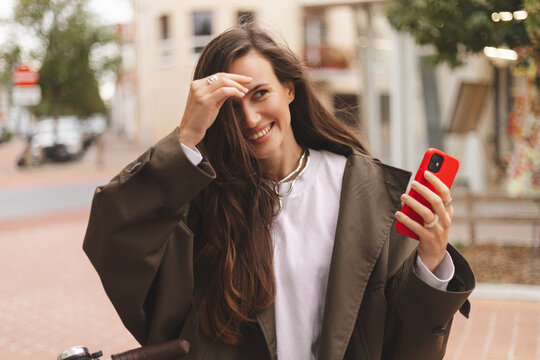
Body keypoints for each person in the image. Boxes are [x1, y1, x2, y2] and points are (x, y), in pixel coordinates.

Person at [83, 23, 475, 360]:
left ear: (289, 89)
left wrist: (431, 262)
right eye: (231, 108)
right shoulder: (200, 200)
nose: (250, 120)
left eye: (260, 94)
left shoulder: (365, 192)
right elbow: (116, 246)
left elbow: (409, 344)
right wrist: (186, 135)